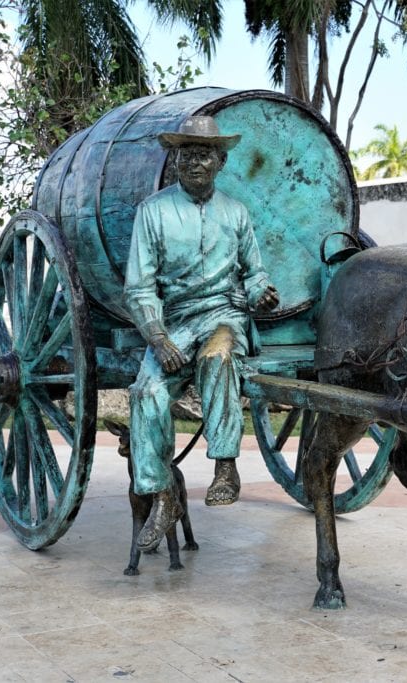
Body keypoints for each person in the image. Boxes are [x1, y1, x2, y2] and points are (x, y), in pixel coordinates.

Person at [124, 116, 279, 551]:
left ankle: (225, 464)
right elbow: (139, 286)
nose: (195, 162)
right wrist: (157, 337)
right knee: (147, 392)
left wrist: (260, 293)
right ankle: (161, 496)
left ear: (221, 161)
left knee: (219, 357)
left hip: (223, 315)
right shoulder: (153, 212)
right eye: (187, 154)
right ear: (175, 160)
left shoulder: (236, 213)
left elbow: (254, 271)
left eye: (204, 155)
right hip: (172, 321)